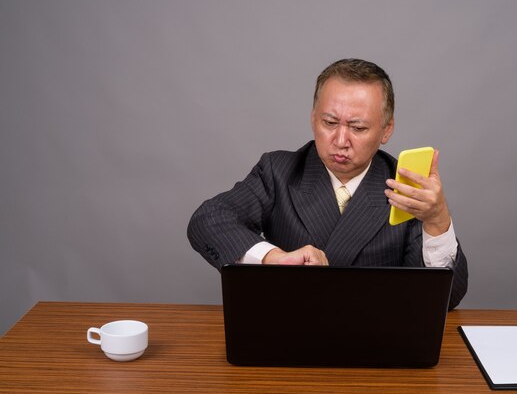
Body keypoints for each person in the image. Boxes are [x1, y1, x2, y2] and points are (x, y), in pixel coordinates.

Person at [188, 58, 468, 309]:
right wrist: (273, 258)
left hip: (376, 342)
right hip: (287, 334)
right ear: (313, 119)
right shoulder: (279, 171)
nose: (341, 140)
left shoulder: (405, 187)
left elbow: (445, 300)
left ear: (387, 130)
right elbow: (207, 220)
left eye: (358, 128)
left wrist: (438, 220)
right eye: (330, 122)